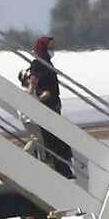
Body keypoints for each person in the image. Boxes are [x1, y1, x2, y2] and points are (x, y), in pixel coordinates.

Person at [25, 36, 75, 179]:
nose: (52, 50)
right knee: (53, 140)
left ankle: (63, 168)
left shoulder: (47, 62)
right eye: (50, 47)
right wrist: (33, 98)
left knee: (57, 138)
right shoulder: (37, 63)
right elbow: (33, 81)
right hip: (46, 106)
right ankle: (62, 170)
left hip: (53, 104)